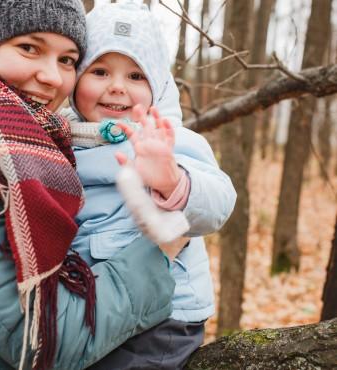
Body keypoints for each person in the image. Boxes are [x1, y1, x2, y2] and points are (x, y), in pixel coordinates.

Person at [0, 1, 182, 369]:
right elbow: (48, 341)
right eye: (29, 48)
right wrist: (160, 251)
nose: (52, 77)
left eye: (67, 60)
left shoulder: (39, 141)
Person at [62, 2, 237, 369]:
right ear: (76, 77)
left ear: (157, 84)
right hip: (91, 306)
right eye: (100, 70)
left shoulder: (167, 139)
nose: (116, 88)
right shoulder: (64, 142)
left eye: (136, 76)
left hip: (163, 317)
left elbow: (219, 201)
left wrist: (173, 182)